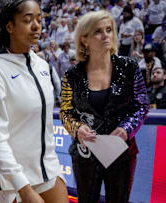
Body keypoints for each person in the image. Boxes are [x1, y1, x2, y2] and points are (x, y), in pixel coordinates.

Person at [0, 1, 69, 203]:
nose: (36, 25)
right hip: (11, 180)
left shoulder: (43, 65)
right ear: (10, 27)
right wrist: (24, 189)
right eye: (28, 20)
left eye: (39, 19)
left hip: (48, 171)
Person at [60, 10, 149, 203]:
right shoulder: (72, 75)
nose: (106, 35)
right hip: (85, 154)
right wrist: (77, 129)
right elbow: (65, 112)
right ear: (84, 39)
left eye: (109, 30)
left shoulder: (130, 67)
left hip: (121, 151)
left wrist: (126, 128)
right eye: (98, 31)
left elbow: (141, 106)